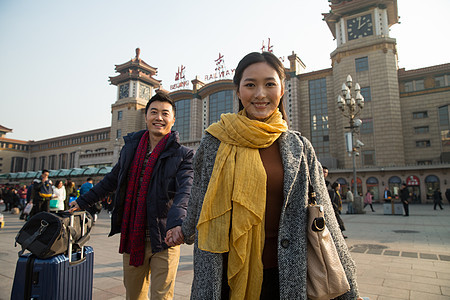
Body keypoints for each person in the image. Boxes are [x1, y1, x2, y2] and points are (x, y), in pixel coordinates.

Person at [172, 52, 360, 299]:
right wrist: (183, 230)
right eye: (250, 85)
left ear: (282, 89)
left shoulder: (298, 147)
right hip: (224, 273)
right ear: (238, 92)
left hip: (285, 276)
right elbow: (199, 197)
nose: (260, 94)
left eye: (270, 84)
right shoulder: (215, 141)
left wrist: (351, 288)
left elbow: (327, 217)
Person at [70, 91, 194, 300]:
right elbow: (112, 180)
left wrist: (177, 223)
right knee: (133, 295)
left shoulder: (183, 154)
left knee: (162, 296)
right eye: (153, 112)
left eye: (165, 113)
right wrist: (82, 201)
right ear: (146, 117)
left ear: (173, 119)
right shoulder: (131, 150)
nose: (159, 118)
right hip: (133, 237)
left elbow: (185, 191)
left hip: (165, 238)